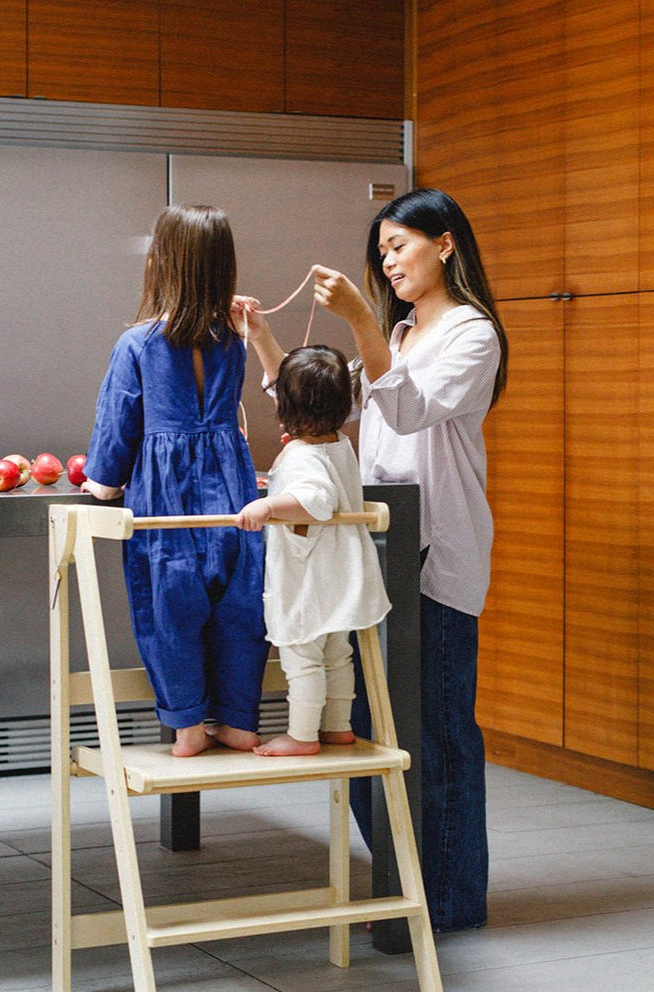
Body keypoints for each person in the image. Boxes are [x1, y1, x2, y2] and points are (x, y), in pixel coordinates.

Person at [240, 187, 508, 931]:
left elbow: (411, 408)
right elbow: (321, 409)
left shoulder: (472, 334)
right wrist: (265, 339)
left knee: (440, 735)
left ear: (445, 244)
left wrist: (359, 319)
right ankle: (407, 884)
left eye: (399, 246)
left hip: (437, 554)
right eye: (382, 251)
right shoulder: (398, 334)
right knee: (368, 735)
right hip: (381, 555)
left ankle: (448, 904)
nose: (388, 262)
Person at [82, 204, 269, 758]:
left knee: (169, 602)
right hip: (232, 489)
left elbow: (119, 423)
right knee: (240, 603)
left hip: (166, 499)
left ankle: (187, 726)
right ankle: (238, 721)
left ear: (161, 264)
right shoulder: (232, 342)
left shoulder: (137, 344)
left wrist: (102, 483)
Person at [236, 345, 391, 756]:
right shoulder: (339, 443)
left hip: (309, 577)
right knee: (337, 654)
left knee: (302, 655)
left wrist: (268, 505)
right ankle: (337, 726)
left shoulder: (303, 456)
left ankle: (302, 734)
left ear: (285, 408)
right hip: (341, 572)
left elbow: (316, 500)